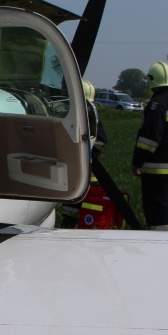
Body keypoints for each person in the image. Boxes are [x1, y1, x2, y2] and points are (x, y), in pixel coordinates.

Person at [132, 61, 168, 230]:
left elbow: (149, 139)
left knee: (157, 215)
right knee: (164, 208)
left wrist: (137, 162)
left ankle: (162, 244)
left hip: (155, 170)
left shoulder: (157, 105)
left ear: (152, 81)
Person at [61, 80, 109, 228]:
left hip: (86, 175)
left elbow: (102, 140)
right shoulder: (75, 116)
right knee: (71, 212)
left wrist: (88, 150)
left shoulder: (87, 117)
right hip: (78, 175)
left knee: (81, 212)